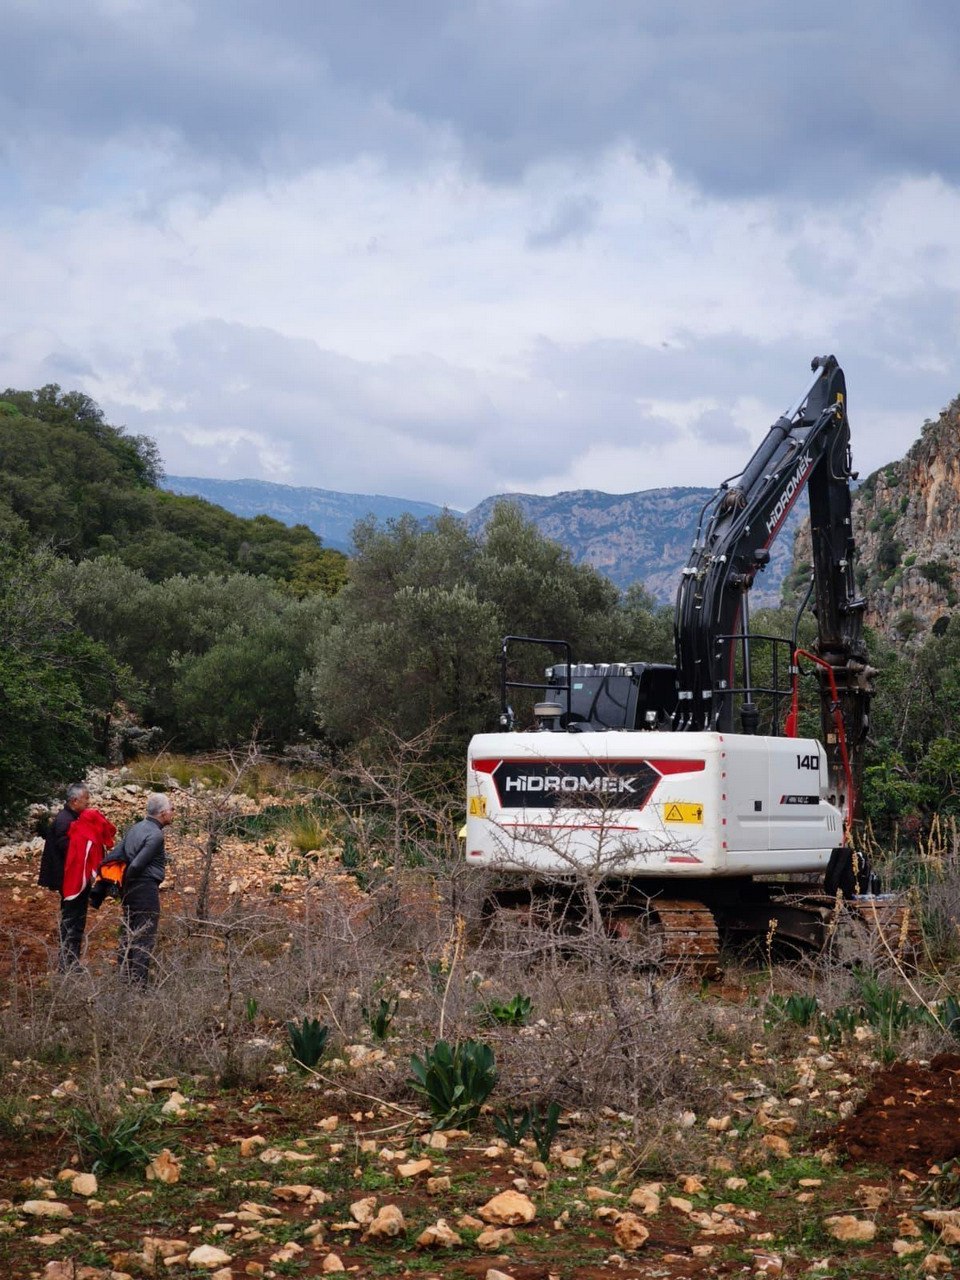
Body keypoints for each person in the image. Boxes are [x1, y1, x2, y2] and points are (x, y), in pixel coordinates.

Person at [116, 792, 174, 985]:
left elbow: (117, 854)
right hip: (144, 889)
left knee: (128, 934)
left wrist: (122, 888)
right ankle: (139, 987)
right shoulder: (155, 834)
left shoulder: (136, 827)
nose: (173, 813)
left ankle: (122, 980)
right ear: (163, 813)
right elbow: (136, 865)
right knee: (144, 938)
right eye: (172, 809)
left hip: (130, 891)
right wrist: (129, 883)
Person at [37, 782, 91, 970]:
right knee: (72, 920)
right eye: (86, 799)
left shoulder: (70, 817)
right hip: (69, 881)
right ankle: (67, 964)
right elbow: (67, 848)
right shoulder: (65, 820)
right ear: (74, 801)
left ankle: (70, 961)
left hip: (71, 879)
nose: (88, 803)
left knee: (74, 919)